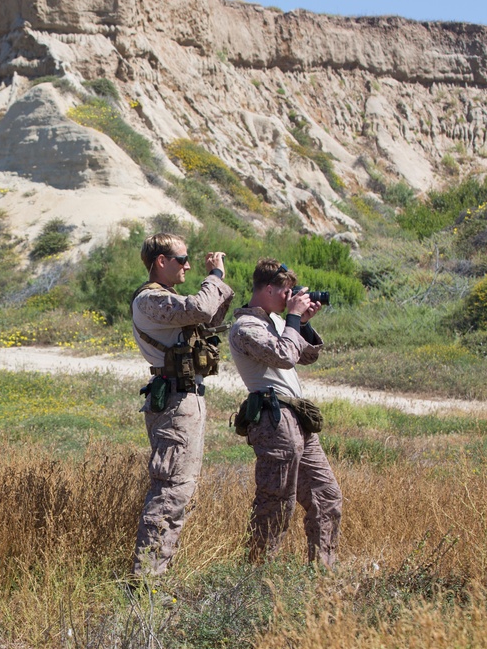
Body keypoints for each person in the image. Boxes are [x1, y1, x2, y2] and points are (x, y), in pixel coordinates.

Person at [130, 232, 234, 577]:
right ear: (161, 261)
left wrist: (219, 286)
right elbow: (200, 308)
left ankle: (153, 576)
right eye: (181, 259)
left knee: (180, 488)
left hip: (183, 398)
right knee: (171, 490)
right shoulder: (150, 300)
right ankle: (146, 581)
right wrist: (214, 277)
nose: (187, 265)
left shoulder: (167, 300)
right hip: (175, 401)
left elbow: (209, 319)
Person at [228, 258, 342, 568]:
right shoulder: (245, 327)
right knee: (276, 503)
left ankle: (322, 572)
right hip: (273, 420)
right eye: (286, 292)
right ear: (268, 289)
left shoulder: (279, 321)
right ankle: (255, 578)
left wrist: (301, 322)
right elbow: (283, 356)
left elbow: (305, 356)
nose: (290, 298)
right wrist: (292, 317)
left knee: (326, 496)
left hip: (299, 419)